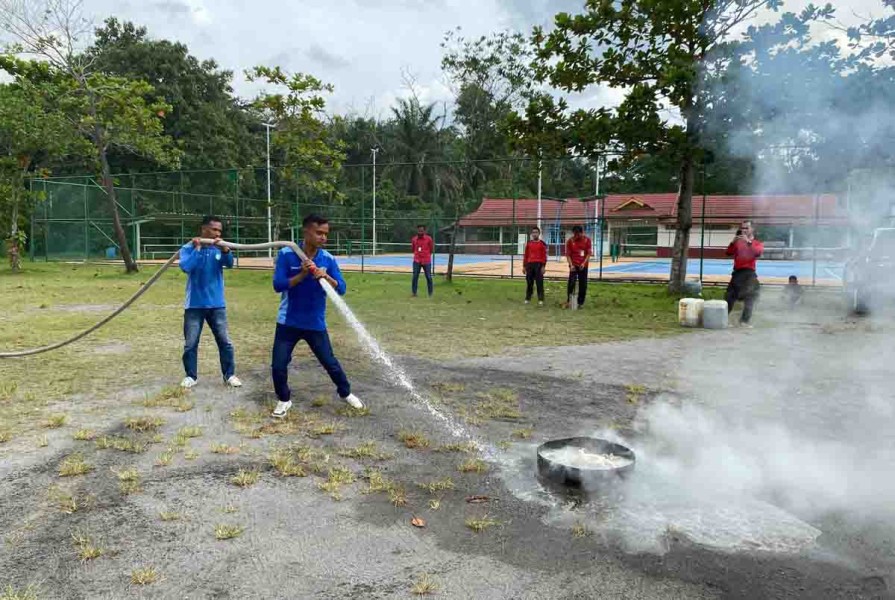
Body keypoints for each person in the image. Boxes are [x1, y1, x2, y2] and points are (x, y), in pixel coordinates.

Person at [270, 214, 364, 419]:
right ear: (306, 232)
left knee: (330, 362)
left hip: (315, 323)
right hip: (288, 322)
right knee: (278, 364)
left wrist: (326, 276)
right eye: (319, 233)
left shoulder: (328, 259)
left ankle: (346, 393)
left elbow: (342, 288)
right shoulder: (287, 254)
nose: (323, 237)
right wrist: (302, 275)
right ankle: (284, 399)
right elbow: (278, 285)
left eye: (326, 234)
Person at [178, 215, 241, 389]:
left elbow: (229, 264)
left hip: (217, 304)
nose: (217, 234)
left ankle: (229, 375)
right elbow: (186, 267)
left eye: (219, 231)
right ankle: (191, 376)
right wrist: (197, 249)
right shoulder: (188, 248)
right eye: (214, 230)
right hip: (194, 305)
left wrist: (226, 250)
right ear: (203, 229)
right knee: (190, 343)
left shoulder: (219, 248)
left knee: (225, 342)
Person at [725, 220, 764, 327]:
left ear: (752, 230)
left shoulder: (757, 243)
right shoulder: (738, 242)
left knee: (750, 297)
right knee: (729, 297)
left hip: (749, 274)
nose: (744, 230)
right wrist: (733, 242)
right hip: (737, 273)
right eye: (742, 228)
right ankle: (723, 319)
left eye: (747, 228)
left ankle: (744, 321)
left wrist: (748, 242)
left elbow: (758, 252)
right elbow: (728, 252)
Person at [565, 225, 592, 308]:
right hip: (573, 265)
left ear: (581, 232)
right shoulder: (570, 241)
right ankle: (569, 301)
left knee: (583, 284)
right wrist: (571, 265)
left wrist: (583, 263)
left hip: (583, 265)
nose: (576, 236)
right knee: (571, 282)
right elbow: (568, 255)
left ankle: (580, 302)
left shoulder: (587, 240)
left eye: (578, 234)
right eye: (575, 234)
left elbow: (588, 254)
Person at [522, 226, 548, 305]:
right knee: (529, 283)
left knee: (539, 283)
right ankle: (528, 298)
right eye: (533, 232)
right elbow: (526, 255)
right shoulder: (529, 244)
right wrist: (524, 266)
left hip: (539, 265)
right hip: (529, 265)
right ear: (531, 234)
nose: (534, 234)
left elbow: (544, 256)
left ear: (539, 234)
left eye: (536, 232)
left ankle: (541, 299)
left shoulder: (542, 244)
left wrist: (543, 266)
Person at [411, 224, 434, 298]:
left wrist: (426, 256)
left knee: (428, 277)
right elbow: (413, 249)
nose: (420, 232)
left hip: (426, 261)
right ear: (417, 231)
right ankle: (414, 293)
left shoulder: (429, 239)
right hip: (417, 260)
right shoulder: (414, 239)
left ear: (424, 231)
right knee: (415, 276)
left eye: (422, 230)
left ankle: (430, 293)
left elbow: (431, 249)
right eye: (419, 230)